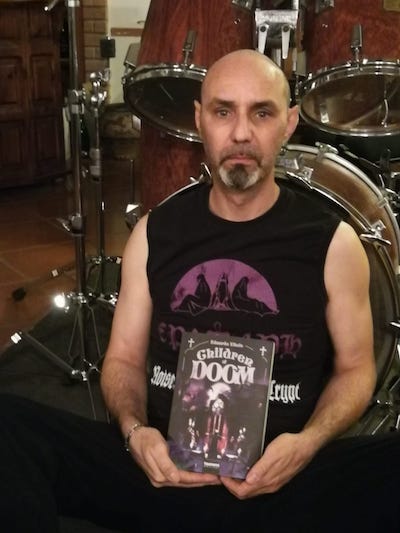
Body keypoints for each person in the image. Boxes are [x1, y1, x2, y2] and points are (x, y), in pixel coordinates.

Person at [0, 48, 399, 533]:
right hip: (164, 476)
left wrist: (307, 444)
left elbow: (356, 370)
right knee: (7, 426)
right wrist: (135, 433)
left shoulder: (333, 242)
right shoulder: (154, 232)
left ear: (289, 123)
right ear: (199, 120)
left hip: (285, 482)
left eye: (262, 113)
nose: (241, 133)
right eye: (223, 111)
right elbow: (122, 360)